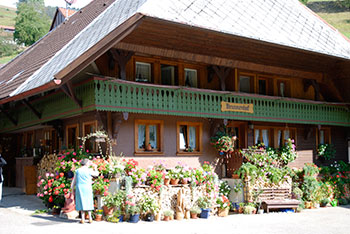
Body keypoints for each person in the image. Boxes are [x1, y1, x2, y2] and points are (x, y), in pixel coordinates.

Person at [71, 158, 98, 224]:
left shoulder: (77, 171)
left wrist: (71, 188)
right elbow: (96, 174)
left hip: (80, 187)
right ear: (86, 163)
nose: (89, 164)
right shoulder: (89, 170)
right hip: (87, 187)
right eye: (89, 163)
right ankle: (90, 218)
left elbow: (74, 180)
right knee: (88, 201)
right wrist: (95, 167)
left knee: (81, 202)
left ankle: (82, 219)